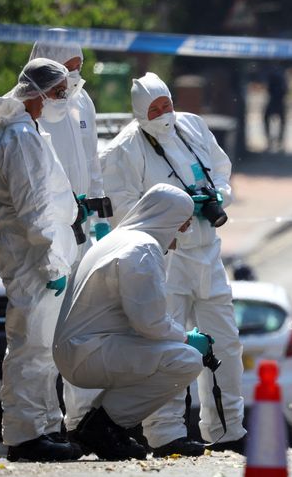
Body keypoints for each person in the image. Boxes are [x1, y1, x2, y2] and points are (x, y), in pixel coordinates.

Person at [99, 72, 246, 455]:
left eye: (167, 104)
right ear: (139, 112)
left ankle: (228, 429)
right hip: (164, 259)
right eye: (155, 109)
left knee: (225, 343)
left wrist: (217, 196)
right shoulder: (124, 150)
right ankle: (165, 434)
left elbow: (220, 168)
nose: (164, 113)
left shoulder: (192, 126)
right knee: (166, 345)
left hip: (207, 252)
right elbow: (123, 212)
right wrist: (171, 215)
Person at [54, 184, 211, 461]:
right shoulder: (143, 249)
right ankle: (105, 428)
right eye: (183, 225)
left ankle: (96, 427)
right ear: (167, 220)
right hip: (89, 352)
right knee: (185, 360)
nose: (183, 234)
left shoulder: (121, 239)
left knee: (171, 354)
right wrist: (188, 339)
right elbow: (149, 323)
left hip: (82, 350)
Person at [0, 58, 80, 462]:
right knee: (29, 346)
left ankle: (43, 428)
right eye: (58, 92)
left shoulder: (20, 129)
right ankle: (25, 436)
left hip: (31, 250)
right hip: (33, 254)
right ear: (38, 91)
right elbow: (34, 208)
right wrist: (52, 263)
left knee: (40, 345)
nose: (62, 100)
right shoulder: (19, 136)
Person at [28, 32, 111, 443]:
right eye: (69, 68)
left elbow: (91, 160)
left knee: (84, 327)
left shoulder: (82, 102)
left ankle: (84, 422)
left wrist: (97, 215)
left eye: (79, 67)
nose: (76, 77)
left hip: (82, 230)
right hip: (47, 231)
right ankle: (44, 425)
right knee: (43, 334)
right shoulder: (33, 107)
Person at [263, 64, 288, 153]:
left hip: (278, 100)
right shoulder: (278, 73)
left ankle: (277, 142)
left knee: (281, 121)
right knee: (268, 119)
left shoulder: (280, 73)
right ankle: (273, 142)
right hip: (275, 100)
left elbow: (284, 89)